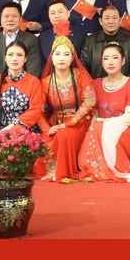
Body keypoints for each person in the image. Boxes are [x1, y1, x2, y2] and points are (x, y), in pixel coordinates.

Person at [38, 35, 97, 182]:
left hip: (79, 124)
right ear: (51, 57)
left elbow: (90, 101)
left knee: (65, 134)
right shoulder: (46, 82)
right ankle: (56, 170)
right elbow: (38, 109)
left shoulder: (81, 76)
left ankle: (64, 173)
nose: (61, 58)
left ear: (72, 58)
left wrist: (69, 124)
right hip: (56, 125)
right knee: (43, 145)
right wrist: (47, 129)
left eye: (66, 54)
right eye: (57, 54)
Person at [77, 42, 130, 181]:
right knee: (95, 127)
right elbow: (94, 115)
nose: (110, 62)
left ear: (123, 61)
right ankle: (94, 167)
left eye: (115, 58)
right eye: (106, 58)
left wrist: (105, 123)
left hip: (125, 130)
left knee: (99, 126)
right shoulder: (96, 84)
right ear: (102, 62)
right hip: (99, 130)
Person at [0, 1, 43, 78]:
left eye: (14, 16)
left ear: (20, 19)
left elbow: (33, 69)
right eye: (6, 16)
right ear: (1, 19)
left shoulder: (31, 39)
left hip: (24, 84)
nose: (10, 19)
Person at [79, 2, 130, 79]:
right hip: (96, 84)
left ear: (120, 21)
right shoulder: (90, 40)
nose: (111, 22)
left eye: (114, 18)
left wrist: (128, 84)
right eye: (107, 18)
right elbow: (83, 67)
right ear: (100, 21)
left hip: (125, 85)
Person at [36, 0, 89, 65]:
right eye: (53, 13)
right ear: (49, 16)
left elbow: (84, 61)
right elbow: (40, 63)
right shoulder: (42, 38)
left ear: (68, 13)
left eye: (60, 12)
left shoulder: (80, 35)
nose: (56, 16)